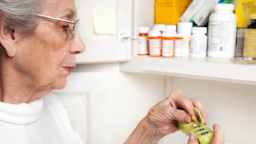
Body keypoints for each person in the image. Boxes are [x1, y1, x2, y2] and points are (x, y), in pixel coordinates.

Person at [0, 0, 224, 144]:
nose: (80, 46)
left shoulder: (49, 106)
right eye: (65, 27)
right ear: (9, 33)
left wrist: (150, 128)